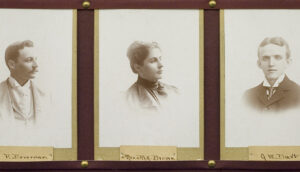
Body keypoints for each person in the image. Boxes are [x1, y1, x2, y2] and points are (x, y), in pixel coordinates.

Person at [243, 37, 300, 112]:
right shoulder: (248, 96)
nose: (271, 64)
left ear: (288, 62)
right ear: (259, 64)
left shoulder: (297, 93)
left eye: (277, 57)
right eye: (266, 58)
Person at [0, 40, 47, 124]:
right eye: (29, 60)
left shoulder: (45, 95)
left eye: (35, 59)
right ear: (12, 64)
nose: (36, 65)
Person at [125, 41, 179, 111]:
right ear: (138, 67)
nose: (161, 65)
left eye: (160, 59)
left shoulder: (174, 91)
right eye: (153, 61)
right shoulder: (129, 100)